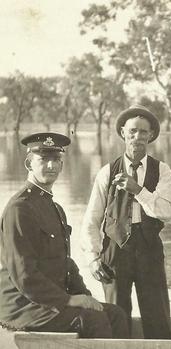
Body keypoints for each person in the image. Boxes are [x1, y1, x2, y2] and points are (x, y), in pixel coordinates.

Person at [0, 133, 128, 338]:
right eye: (43, 159)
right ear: (29, 163)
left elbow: (65, 264)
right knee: (94, 321)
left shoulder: (55, 208)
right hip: (23, 306)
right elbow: (24, 276)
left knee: (115, 314)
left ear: (61, 164)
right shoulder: (19, 209)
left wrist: (85, 296)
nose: (51, 166)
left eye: (56, 160)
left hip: (49, 302)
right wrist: (68, 300)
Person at [80, 105, 171, 339]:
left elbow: (167, 211)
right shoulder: (107, 172)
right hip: (114, 251)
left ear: (151, 135)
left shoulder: (161, 170)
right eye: (132, 131)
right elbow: (92, 219)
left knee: (157, 317)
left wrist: (138, 190)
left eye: (144, 132)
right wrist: (92, 258)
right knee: (116, 317)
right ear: (123, 133)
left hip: (149, 250)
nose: (138, 137)